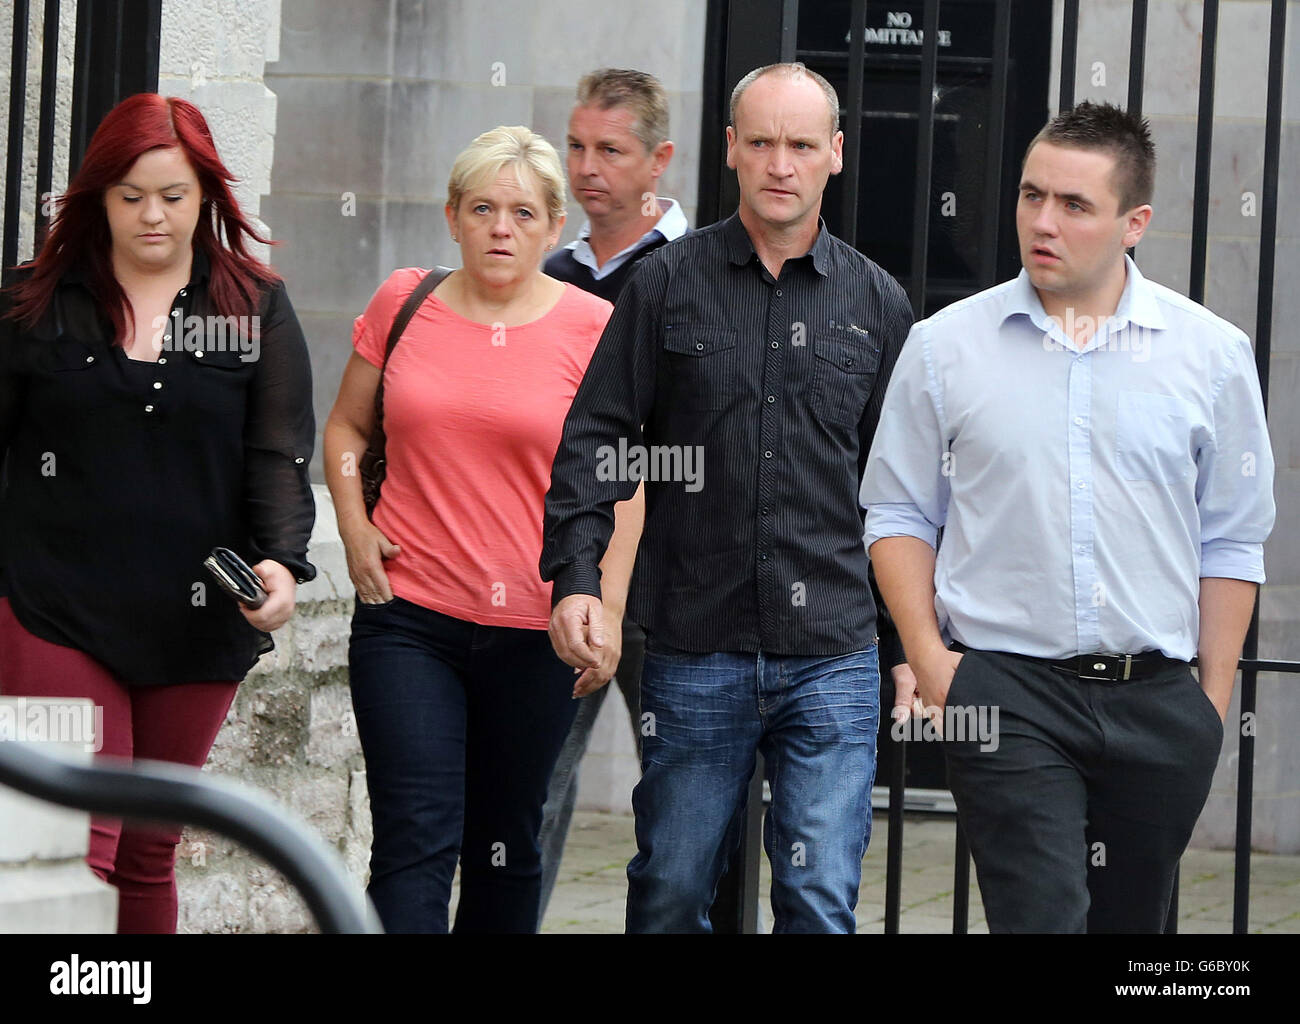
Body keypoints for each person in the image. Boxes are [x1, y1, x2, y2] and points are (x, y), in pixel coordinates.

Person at [862, 101, 1276, 933]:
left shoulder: (1212, 355)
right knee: (1041, 916)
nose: (1041, 222)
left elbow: (1232, 536)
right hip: (1005, 691)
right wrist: (933, 662)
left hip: (1158, 702)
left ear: (1135, 223)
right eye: (1030, 195)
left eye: (1074, 205)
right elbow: (898, 510)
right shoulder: (945, 347)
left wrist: (1211, 701)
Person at [541, 63, 914, 933]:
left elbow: (908, 495)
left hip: (832, 653)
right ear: (731, 152)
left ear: (836, 155)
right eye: (762, 143)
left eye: (801, 145)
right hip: (695, 646)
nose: (781, 164)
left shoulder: (878, 304)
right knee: (670, 889)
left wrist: (912, 645)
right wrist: (578, 577)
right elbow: (597, 438)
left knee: (818, 900)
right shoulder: (667, 285)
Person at [0, 93, 316, 934]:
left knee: (147, 850)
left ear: (206, 197)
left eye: (174, 196)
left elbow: (276, 457)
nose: (152, 216)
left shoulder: (253, 307)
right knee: (74, 844)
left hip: (197, 619)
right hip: (51, 607)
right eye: (130, 195)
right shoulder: (34, 303)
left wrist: (282, 564)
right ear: (98, 196)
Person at [324, 125, 642, 934]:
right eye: (484, 208)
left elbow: (624, 483)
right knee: (413, 839)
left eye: (525, 213)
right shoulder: (405, 300)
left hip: (536, 628)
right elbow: (346, 430)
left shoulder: (595, 327)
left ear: (553, 228)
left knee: (507, 842)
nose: (502, 228)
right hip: (408, 619)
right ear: (453, 217)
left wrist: (601, 603)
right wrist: (356, 532)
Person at [537, 67, 688, 921]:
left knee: (683, 801)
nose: (588, 167)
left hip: (669, 578)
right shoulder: (552, 269)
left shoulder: (695, 271)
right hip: (566, 567)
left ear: (657, 159)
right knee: (536, 790)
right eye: (578, 146)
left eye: (611, 150)